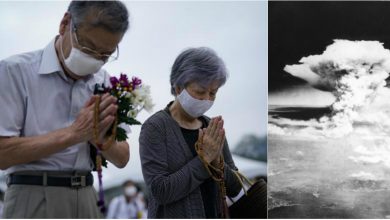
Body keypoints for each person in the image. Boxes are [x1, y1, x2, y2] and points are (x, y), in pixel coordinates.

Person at [0, 1, 130, 218]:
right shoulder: (14, 71)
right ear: (65, 24)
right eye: (88, 48)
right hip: (33, 195)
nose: (94, 60)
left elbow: (122, 157)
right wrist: (74, 133)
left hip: (87, 196)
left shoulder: (104, 81)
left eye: (105, 56)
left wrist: (99, 137)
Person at [139, 47, 242, 218]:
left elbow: (236, 187)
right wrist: (204, 162)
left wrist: (217, 163)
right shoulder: (155, 127)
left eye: (213, 93)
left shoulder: (211, 127)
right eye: (200, 92)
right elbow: (160, 191)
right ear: (179, 87)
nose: (206, 99)